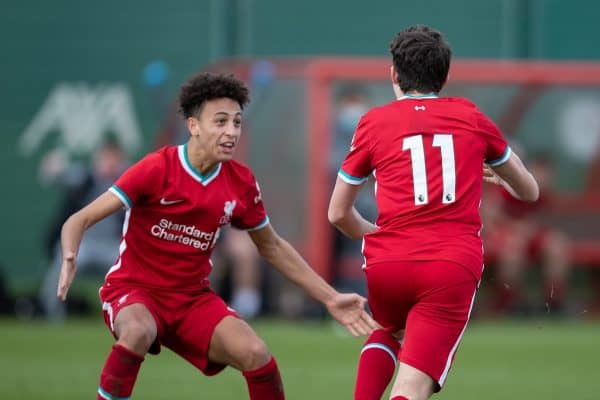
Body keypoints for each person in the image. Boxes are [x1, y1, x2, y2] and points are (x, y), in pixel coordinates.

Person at [56, 73, 376, 400]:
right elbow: (78, 219)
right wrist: (70, 255)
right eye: (220, 122)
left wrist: (330, 297)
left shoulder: (240, 183)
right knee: (138, 332)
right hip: (134, 291)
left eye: (237, 123)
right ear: (193, 126)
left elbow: (273, 247)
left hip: (191, 299)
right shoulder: (157, 168)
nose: (231, 132)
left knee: (256, 354)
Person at [328, 25, 539, 400]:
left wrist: (376, 234)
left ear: (393, 73)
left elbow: (337, 213)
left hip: (387, 262)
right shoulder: (470, 116)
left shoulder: (373, 122)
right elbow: (529, 190)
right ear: (445, 74)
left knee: (388, 329)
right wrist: (502, 177)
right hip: (449, 263)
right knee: (411, 386)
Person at [39, 140, 127, 321]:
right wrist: (52, 165)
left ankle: (125, 317)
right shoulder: (85, 177)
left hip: (112, 247)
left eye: (114, 158)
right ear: (98, 159)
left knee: (131, 268)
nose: (109, 163)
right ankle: (52, 314)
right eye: (106, 157)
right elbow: (52, 175)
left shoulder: (127, 180)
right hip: (83, 244)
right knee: (62, 262)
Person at [482, 154, 571, 315]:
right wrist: (515, 227)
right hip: (507, 236)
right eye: (540, 171)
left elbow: (549, 221)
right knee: (513, 250)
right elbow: (490, 215)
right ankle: (508, 302)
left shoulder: (545, 195)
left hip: (533, 237)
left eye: (547, 173)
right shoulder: (512, 187)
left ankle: (553, 302)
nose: (544, 177)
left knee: (557, 245)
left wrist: (533, 228)